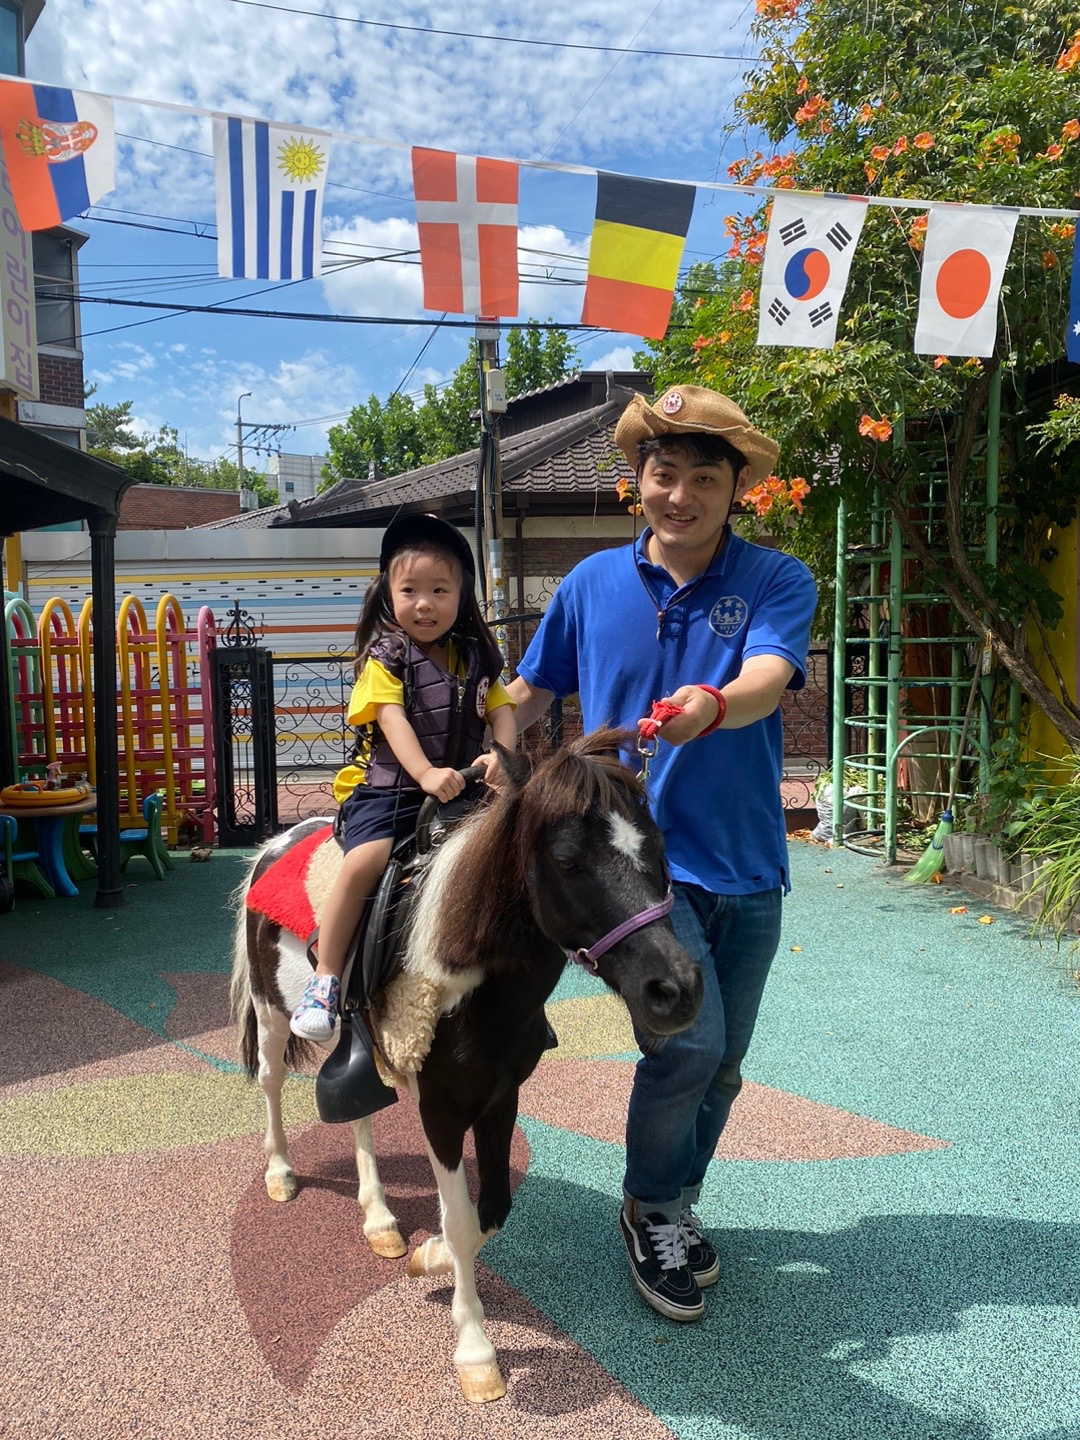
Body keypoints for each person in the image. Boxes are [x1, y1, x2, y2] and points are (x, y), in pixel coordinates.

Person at [506, 384, 817, 1323]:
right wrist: (475, 728)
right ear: (635, 481)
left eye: (703, 480)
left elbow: (766, 677)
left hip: (750, 864)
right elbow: (527, 690)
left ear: (737, 491)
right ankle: (652, 1207)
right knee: (693, 1046)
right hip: (637, 876)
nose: (680, 495)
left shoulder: (776, 579)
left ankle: (668, 1201)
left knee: (721, 1065)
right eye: (663, 474)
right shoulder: (591, 584)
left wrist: (712, 704)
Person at [290, 512, 517, 1041]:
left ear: (461, 597)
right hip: (392, 794)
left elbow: (502, 711)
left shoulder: (476, 658)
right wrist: (425, 773)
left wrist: (503, 757)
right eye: (410, 589)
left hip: (463, 792)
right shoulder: (386, 659)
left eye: (440, 590)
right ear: (388, 593)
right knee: (367, 859)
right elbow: (392, 721)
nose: (424, 602)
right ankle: (325, 978)